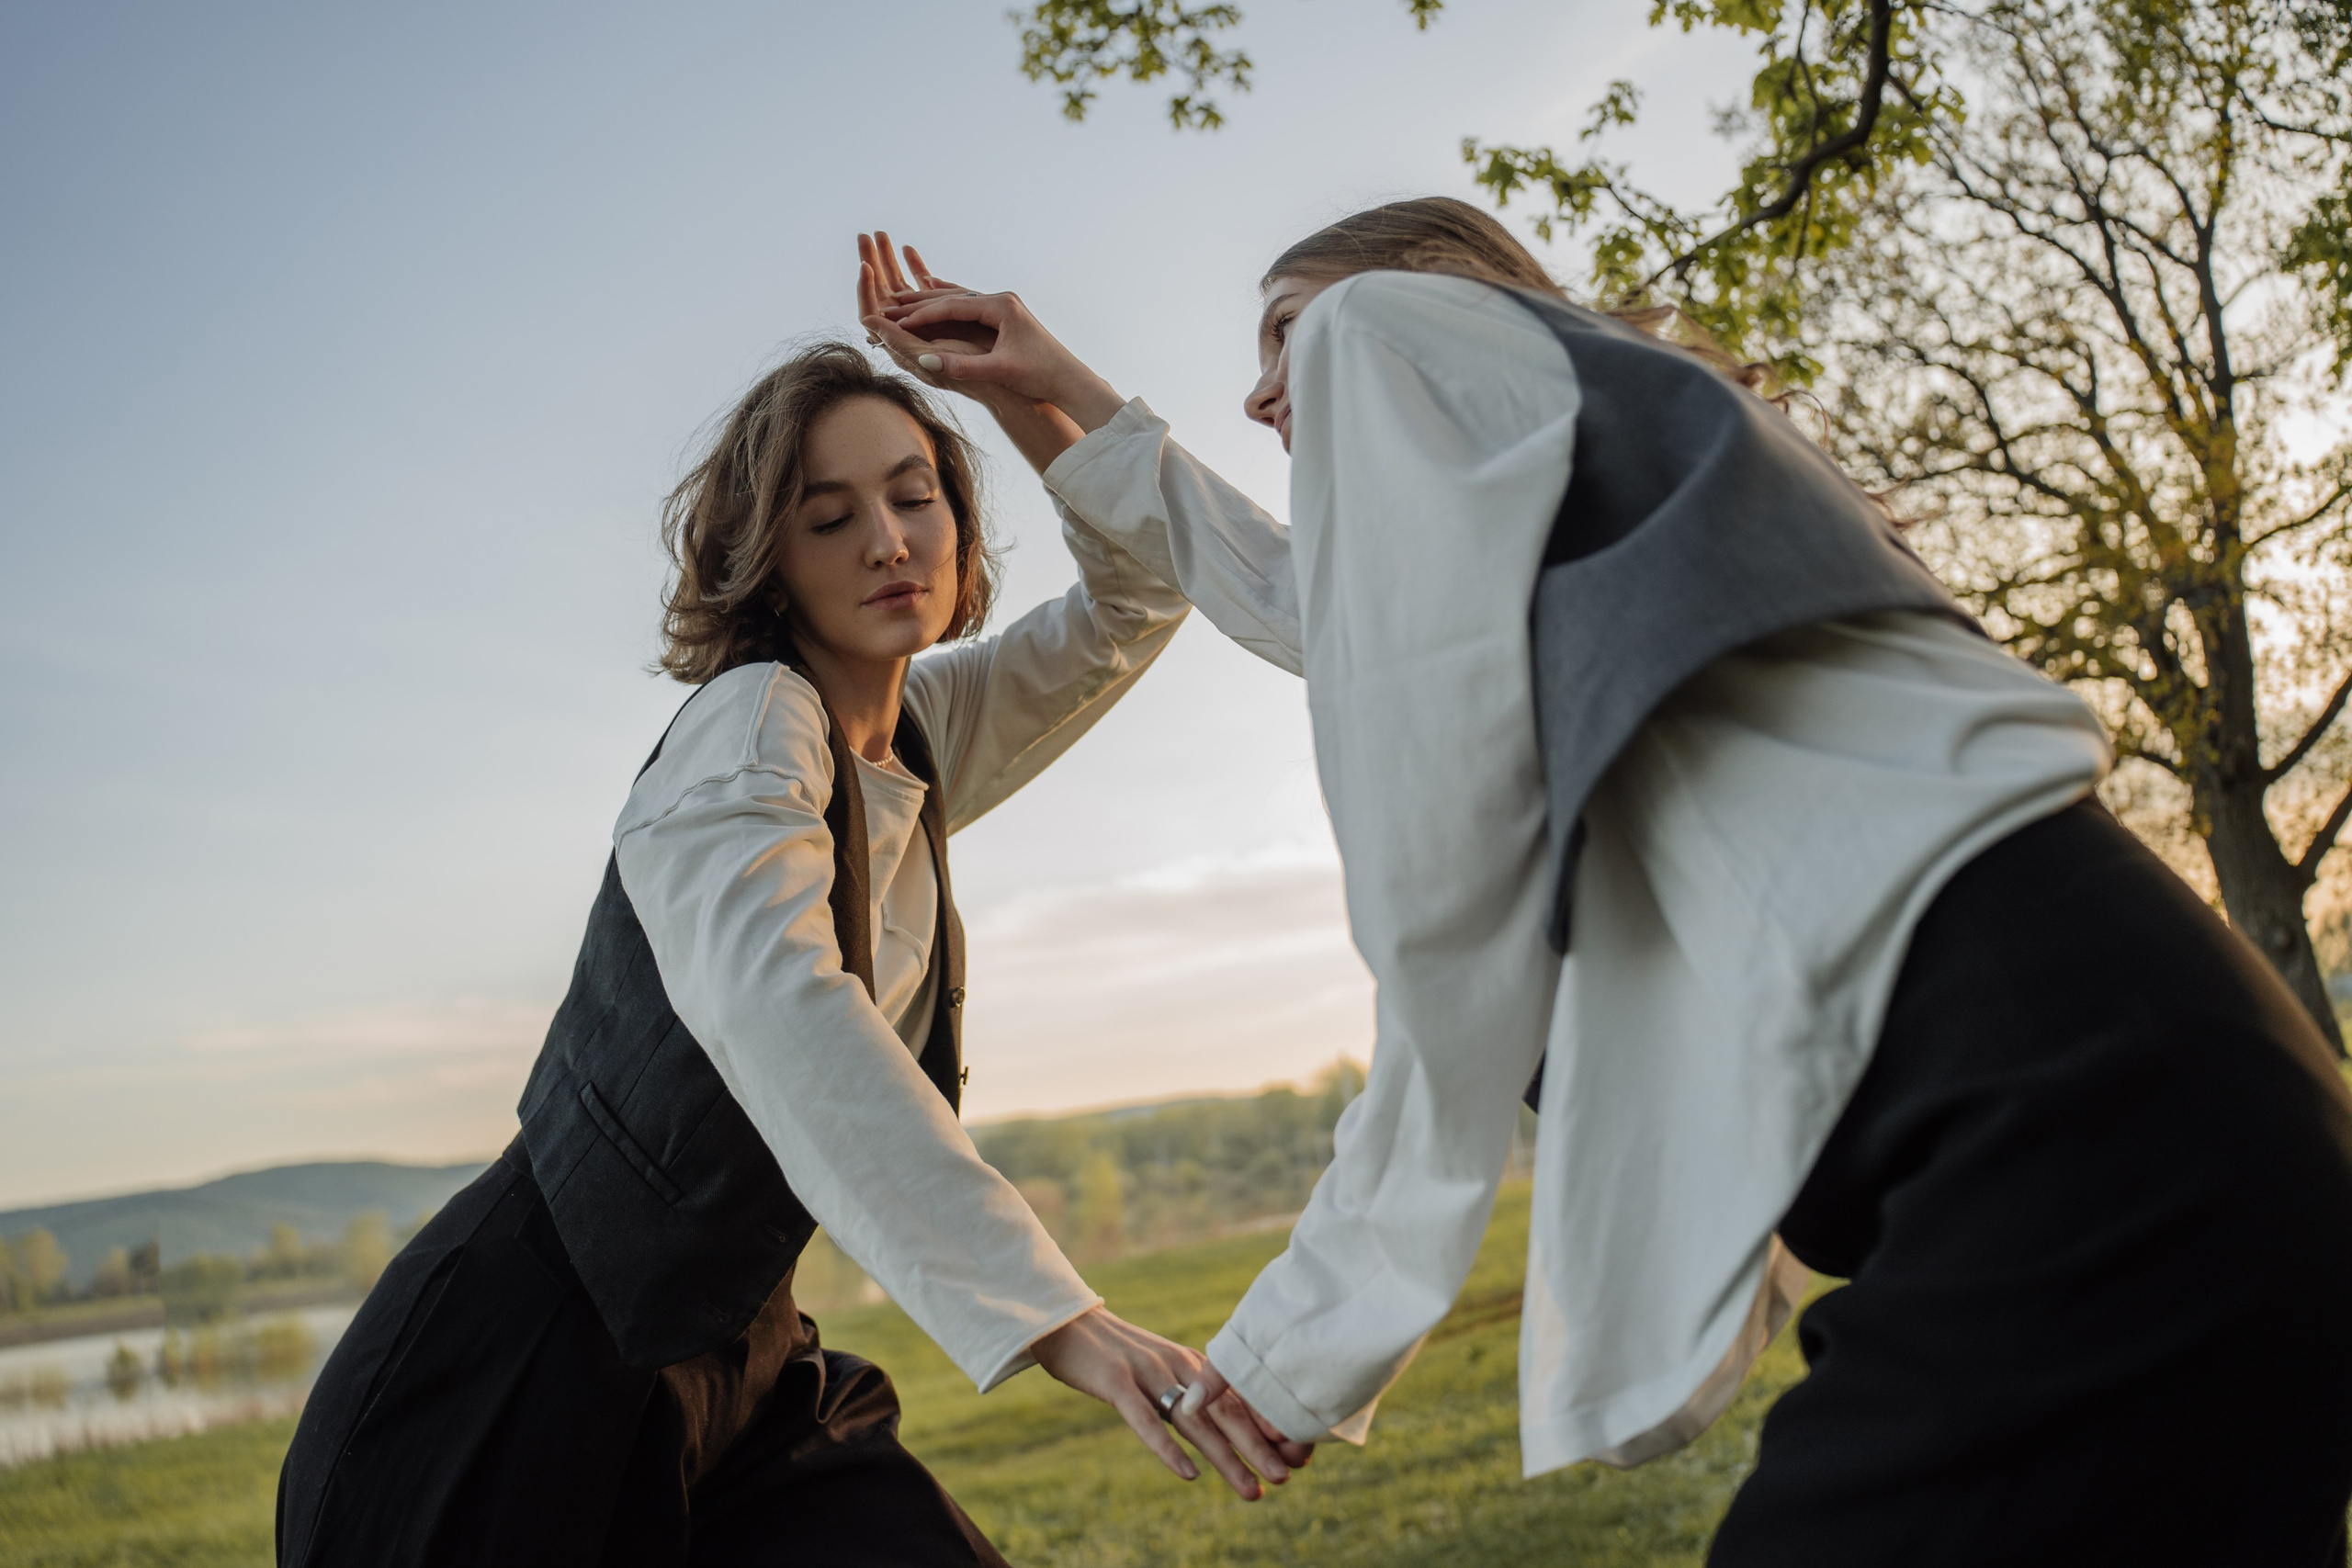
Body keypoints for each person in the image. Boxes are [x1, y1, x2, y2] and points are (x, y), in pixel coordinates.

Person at [865, 199, 2352, 1564]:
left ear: (1418, 299)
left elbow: (1448, 933)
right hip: (2203, 1121)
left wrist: (1308, 1340)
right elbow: (1313, 601)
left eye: (1285, 338)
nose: (1261, 399)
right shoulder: (1627, 513)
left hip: (2083, 1169)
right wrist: (1047, 391)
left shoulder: (1394, 336)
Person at [277, 334, 1303, 1568]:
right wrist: (1058, 1318)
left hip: (746, 1371)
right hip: (517, 1380)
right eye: (829, 518)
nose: (888, 541)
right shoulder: (747, 728)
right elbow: (784, 1010)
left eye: (916, 496)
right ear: (767, 557)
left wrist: (1022, 386)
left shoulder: (920, 732)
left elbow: (1139, 595)